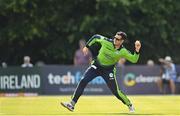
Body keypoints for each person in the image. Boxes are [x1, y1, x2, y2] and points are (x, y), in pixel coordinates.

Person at [61, 31, 141, 113]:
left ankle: (130, 105)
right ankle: (72, 104)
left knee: (116, 92)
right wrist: (87, 46)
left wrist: (137, 50)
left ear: (122, 41)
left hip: (108, 70)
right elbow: (95, 37)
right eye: (115, 37)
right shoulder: (106, 41)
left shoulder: (123, 51)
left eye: (117, 39)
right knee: (83, 80)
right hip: (96, 66)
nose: (115, 39)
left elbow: (134, 59)